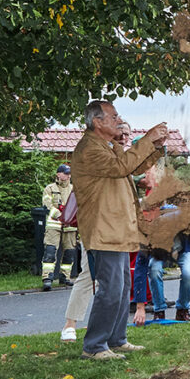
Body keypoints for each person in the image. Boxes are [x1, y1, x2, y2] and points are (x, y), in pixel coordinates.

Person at [71, 100, 167, 360]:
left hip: (117, 230)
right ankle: (93, 346)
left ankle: (116, 339)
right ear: (97, 122)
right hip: (105, 232)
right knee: (111, 290)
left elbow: (132, 167)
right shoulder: (89, 149)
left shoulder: (106, 146)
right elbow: (121, 167)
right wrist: (147, 139)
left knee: (122, 289)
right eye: (113, 117)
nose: (119, 120)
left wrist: (156, 148)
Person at [40, 164, 77, 291]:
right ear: (58, 174)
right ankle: (47, 278)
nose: (68, 176)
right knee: (50, 251)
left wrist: (71, 219)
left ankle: (65, 277)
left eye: (69, 173)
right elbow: (47, 204)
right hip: (54, 226)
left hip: (70, 226)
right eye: (65, 173)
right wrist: (60, 216)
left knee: (69, 252)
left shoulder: (74, 189)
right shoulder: (49, 188)